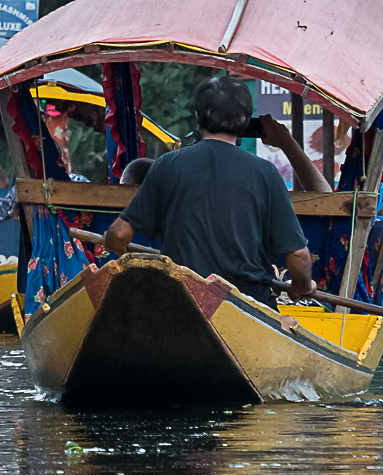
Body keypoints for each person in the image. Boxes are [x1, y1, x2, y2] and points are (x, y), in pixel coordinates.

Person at [105, 75, 313, 306]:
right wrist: (303, 287)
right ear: (245, 120)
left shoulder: (167, 165)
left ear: (198, 116)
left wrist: (115, 246)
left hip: (180, 302)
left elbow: (119, 235)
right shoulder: (266, 173)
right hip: (248, 305)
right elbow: (297, 255)